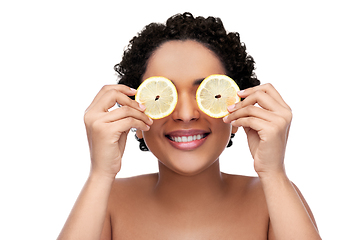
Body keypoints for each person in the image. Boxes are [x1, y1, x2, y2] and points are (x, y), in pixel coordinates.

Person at [57, 12, 321, 239]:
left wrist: (273, 173)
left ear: (240, 106)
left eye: (206, 93)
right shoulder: (108, 200)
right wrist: (100, 174)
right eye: (162, 95)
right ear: (133, 116)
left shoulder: (273, 198)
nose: (185, 114)